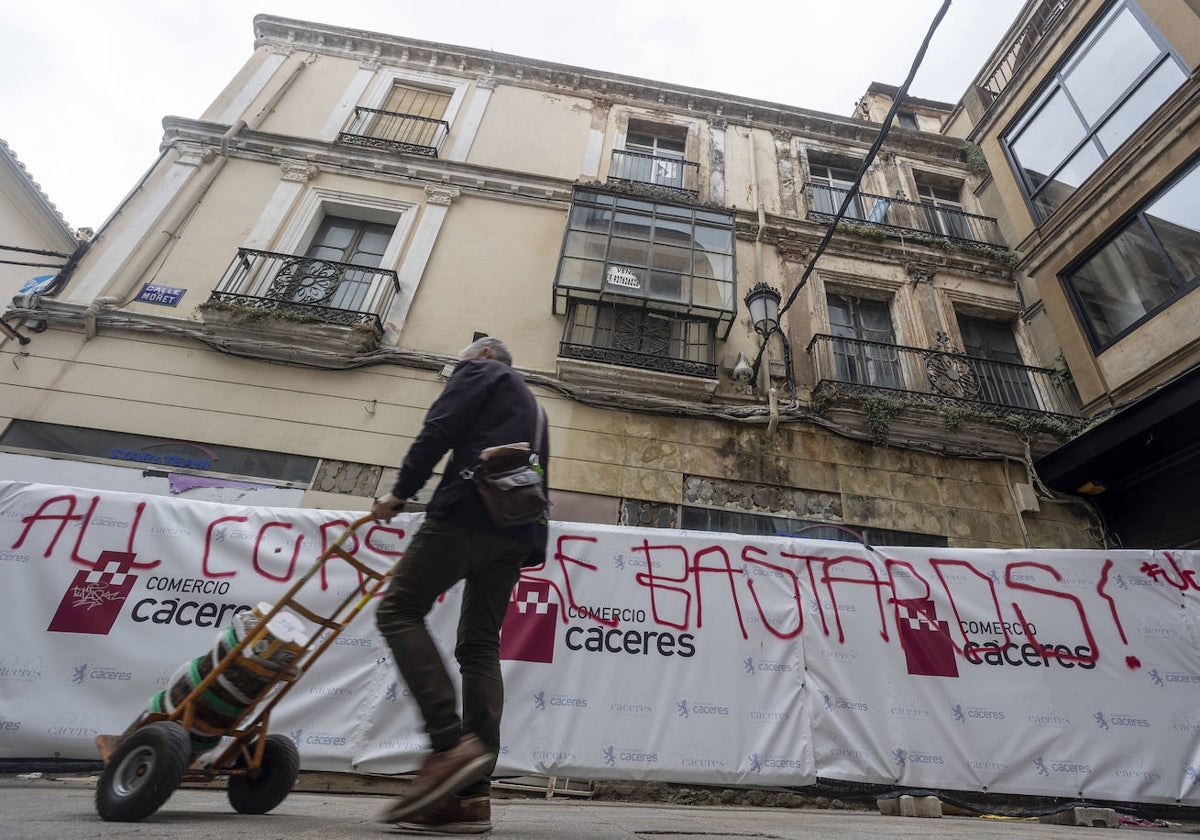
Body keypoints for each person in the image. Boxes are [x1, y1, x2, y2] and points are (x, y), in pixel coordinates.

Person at [370, 336, 549, 833]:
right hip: (515, 534)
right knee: (478, 647)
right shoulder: (536, 409)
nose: (456, 368)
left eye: (461, 361)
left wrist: (400, 493)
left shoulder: (480, 374)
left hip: (466, 514)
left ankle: (448, 746)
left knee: (398, 610)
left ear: (485, 356)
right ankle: (470, 798)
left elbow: (439, 430)